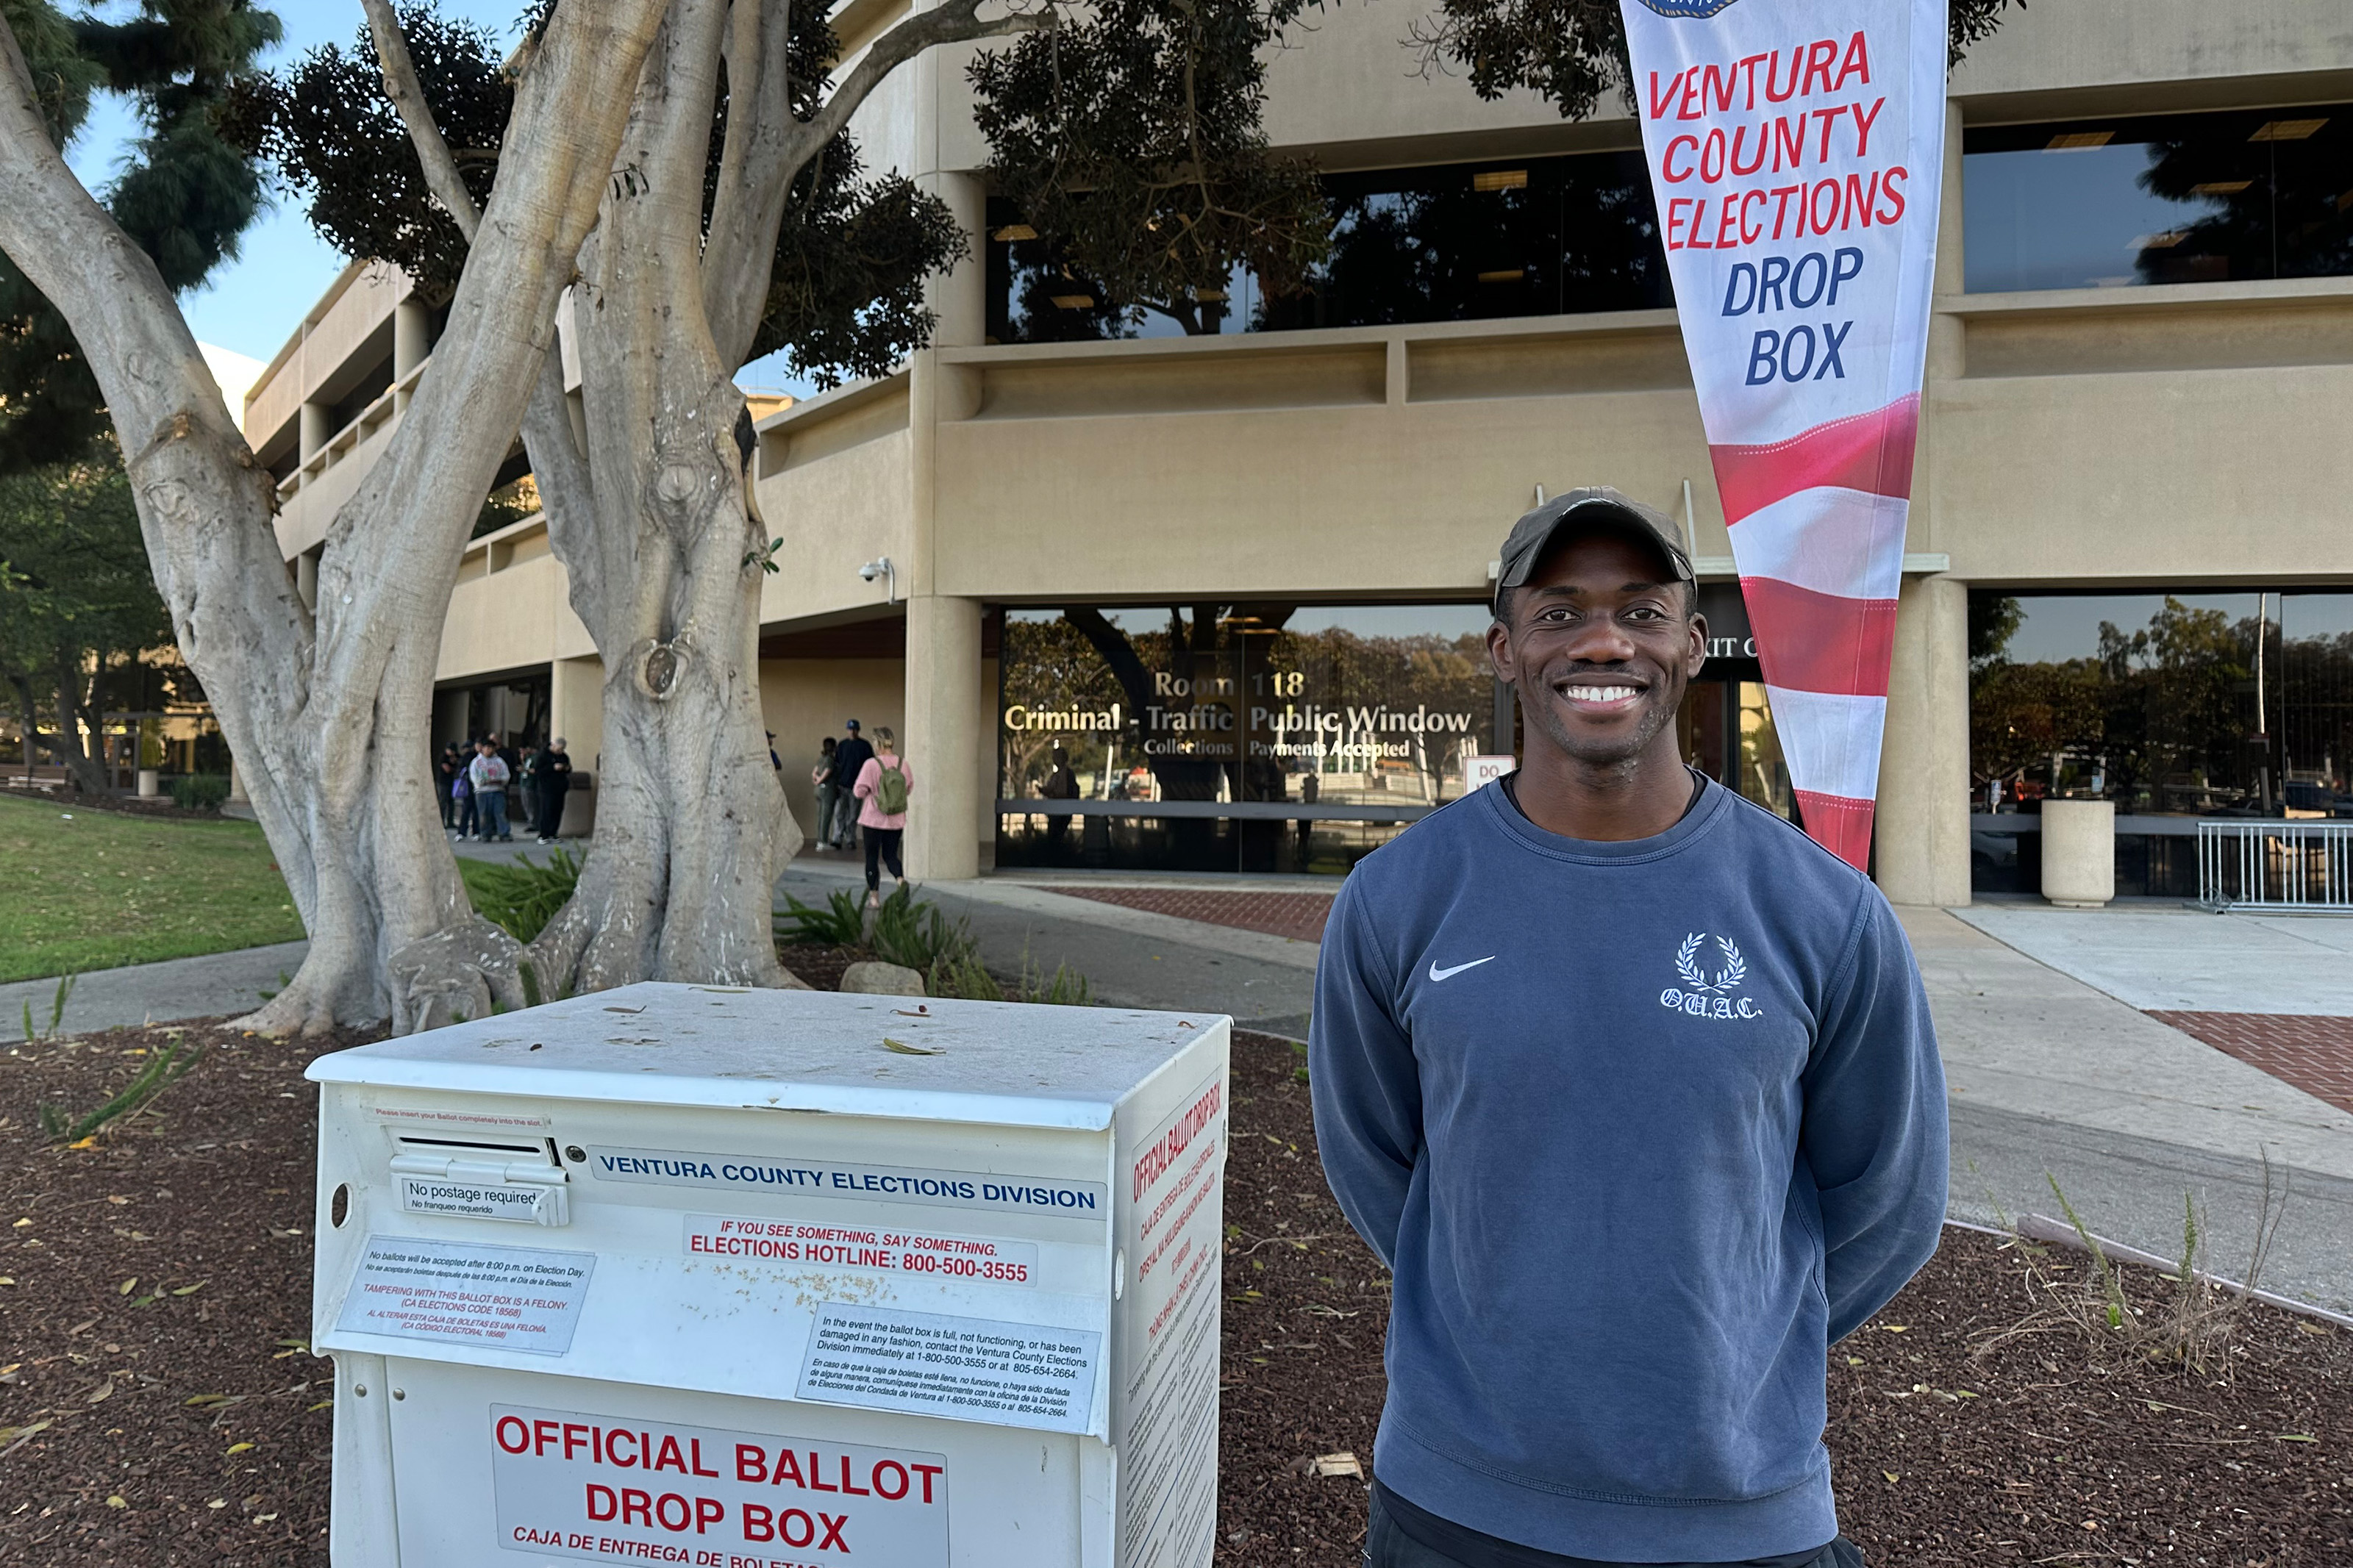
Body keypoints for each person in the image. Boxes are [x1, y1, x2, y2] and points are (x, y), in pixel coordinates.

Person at [1310, 487, 1946, 1568]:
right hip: (1458, 1510)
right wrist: (1501, 1303)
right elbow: (1377, 1165)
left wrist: (1739, 1331)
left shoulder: (1823, 912)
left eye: (1641, 611)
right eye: (1559, 612)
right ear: (1503, 649)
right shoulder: (1397, 900)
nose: (1603, 639)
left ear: (1694, 644)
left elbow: (1889, 1199)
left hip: (1742, 1516)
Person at [851, 726, 911, 908]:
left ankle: (875, 898)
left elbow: (858, 791)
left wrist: (874, 792)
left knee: (871, 857)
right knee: (891, 855)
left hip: (873, 819)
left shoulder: (871, 764)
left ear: (877, 743)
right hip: (896, 820)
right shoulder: (903, 764)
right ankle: (900, 881)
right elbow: (908, 788)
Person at [832, 719, 874, 850]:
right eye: (850, 729)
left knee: (853, 814)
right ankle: (837, 838)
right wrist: (836, 784)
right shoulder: (842, 745)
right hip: (842, 784)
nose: (852, 732)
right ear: (847, 730)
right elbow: (837, 765)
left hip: (857, 785)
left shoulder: (864, 746)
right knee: (839, 813)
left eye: (855, 729)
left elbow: (869, 766)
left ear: (858, 730)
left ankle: (851, 839)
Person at [468, 737, 514, 842]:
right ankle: (485, 833)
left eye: (491, 748)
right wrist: (484, 781)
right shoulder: (476, 762)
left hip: (497, 790)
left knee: (500, 813)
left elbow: (506, 775)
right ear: (482, 749)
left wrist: (500, 781)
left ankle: (504, 833)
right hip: (482, 792)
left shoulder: (499, 761)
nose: (489, 750)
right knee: (484, 814)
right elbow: (474, 777)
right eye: (487, 747)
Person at [1041, 743, 1079, 854]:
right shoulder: (1056, 774)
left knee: (1057, 836)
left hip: (1062, 811)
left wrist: (1052, 794)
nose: (1054, 759)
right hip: (1055, 810)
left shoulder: (1067, 774)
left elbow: (1065, 792)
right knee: (1053, 837)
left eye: (1056, 757)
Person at [535, 737, 573, 843]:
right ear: (553, 745)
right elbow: (538, 771)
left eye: (562, 749)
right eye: (559, 749)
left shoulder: (564, 756)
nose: (560, 751)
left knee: (558, 810)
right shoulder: (543, 755)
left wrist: (566, 768)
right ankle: (543, 834)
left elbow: (569, 769)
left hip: (560, 787)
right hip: (547, 788)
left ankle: (553, 833)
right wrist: (552, 767)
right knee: (547, 810)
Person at [811, 736, 841, 852]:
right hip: (828, 791)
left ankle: (820, 841)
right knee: (826, 817)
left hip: (819, 790)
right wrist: (820, 780)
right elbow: (827, 772)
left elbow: (814, 772)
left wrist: (816, 781)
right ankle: (823, 842)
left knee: (820, 816)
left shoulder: (821, 758)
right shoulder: (830, 759)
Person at [435, 742, 463, 830]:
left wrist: (456, 762)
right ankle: (441, 822)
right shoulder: (443, 757)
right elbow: (447, 769)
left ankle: (450, 822)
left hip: (452, 782)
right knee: (443, 802)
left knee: (451, 803)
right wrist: (454, 767)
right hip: (443, 782)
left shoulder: (457, 756)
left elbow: (461, 763)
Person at [450, 760, 474, 840]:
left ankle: (473, 831)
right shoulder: (468, 759)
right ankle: (463, 831)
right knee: (466, 811)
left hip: (474, 789)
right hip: (468, 790)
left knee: (469, 811)